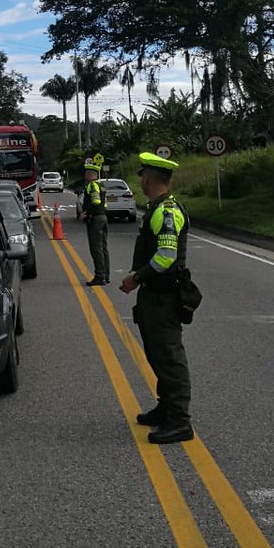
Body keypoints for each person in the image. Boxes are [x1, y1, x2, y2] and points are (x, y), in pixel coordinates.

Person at [120, 152, 193, 444]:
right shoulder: (157, 208)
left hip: (164, 296)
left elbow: (166, 257)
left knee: (169, 357)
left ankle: (179, 421)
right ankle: (165, 409)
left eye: (142, 176)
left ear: (149, 178)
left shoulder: (165, 213)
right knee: (157, 355)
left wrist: (135, 278)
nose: (140, 180)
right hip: (155, 296)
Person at [80, 158, 110, 286]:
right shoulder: (101, 186)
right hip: (103, 217)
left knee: (96, 249)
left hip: (95, 219)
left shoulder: (92, 185)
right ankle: (106, 276)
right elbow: (105, 203)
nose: (85, 174)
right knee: (103, 248)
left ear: (92, 174)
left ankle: (99, 276)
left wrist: (86, 212)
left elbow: (96, 201)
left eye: (87, 172)